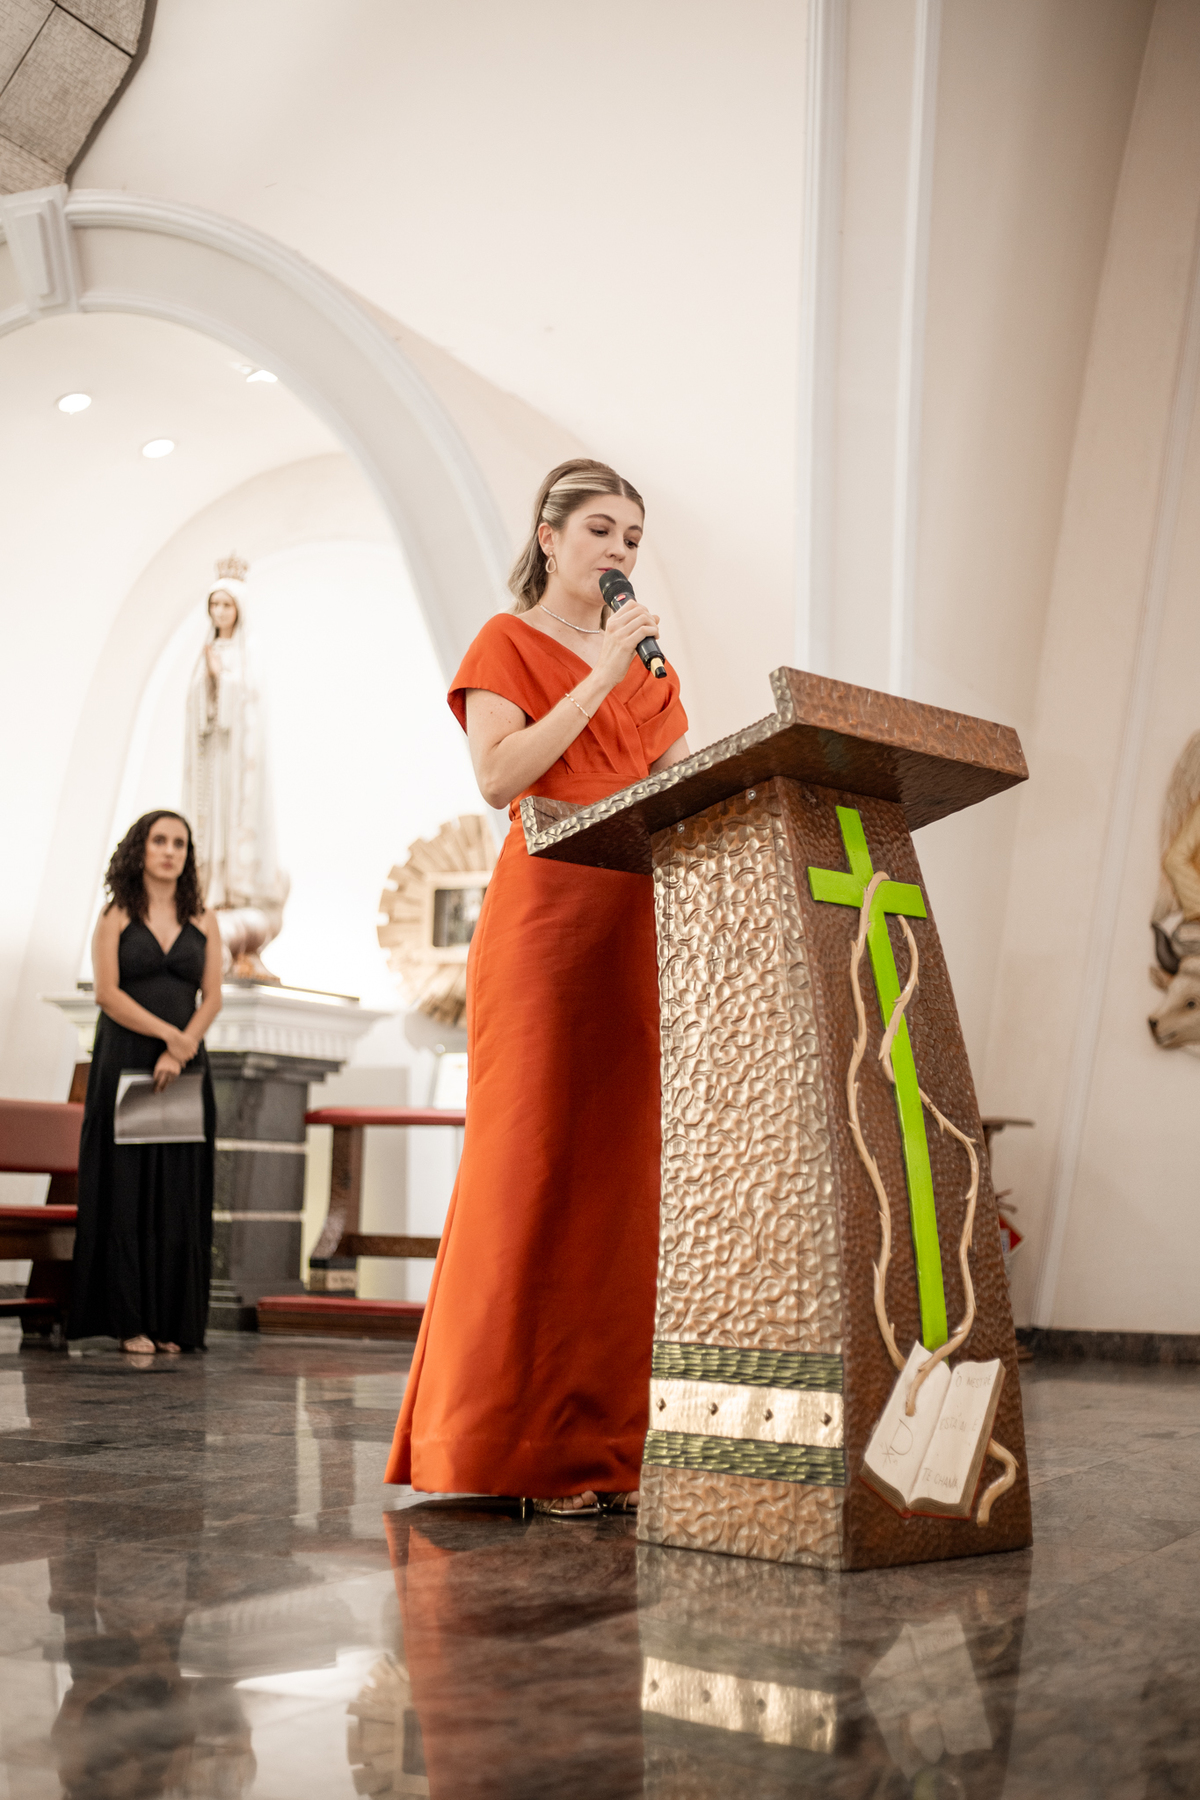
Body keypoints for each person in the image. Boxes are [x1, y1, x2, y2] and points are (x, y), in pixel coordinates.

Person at [385, 458, 689, 1515]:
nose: (619, 550)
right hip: (547, 927)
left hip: (635, 926)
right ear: (550, 538)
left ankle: (606, 1445)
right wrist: (599, 674)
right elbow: (499, 777)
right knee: (536, 1165)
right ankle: (512, 1446)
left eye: (632, 537)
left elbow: (679, 790)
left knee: (619, 1185)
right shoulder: (507, 642)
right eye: (601, 529)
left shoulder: (652, 669)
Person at [68, 812, 223, 1355]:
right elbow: (107, 994)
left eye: (180, 843)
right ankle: (128, 1320)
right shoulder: (115, 915)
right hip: (126, 1059)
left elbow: (213, 997)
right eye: (160, 840)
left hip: (184, 1064)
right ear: (141, 849)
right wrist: (170, 1038)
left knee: (178, 1189)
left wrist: (182, 1049)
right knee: (127, 1187)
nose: (170, 850)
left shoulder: (204, 918)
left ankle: (171, 1322)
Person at [181, 560, 288, 980]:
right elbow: (197, 711)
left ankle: (234, 894)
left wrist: (222, 681)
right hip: (211, 757)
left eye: (227, 605)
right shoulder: (206, 652)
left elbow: (247, 708)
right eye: (214, 605)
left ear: (238, 609)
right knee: (206, 823)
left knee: (232, 822)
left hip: (237, 763)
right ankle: (208, 892)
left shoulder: (249, 652)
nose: (220, 612)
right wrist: (207, 684)